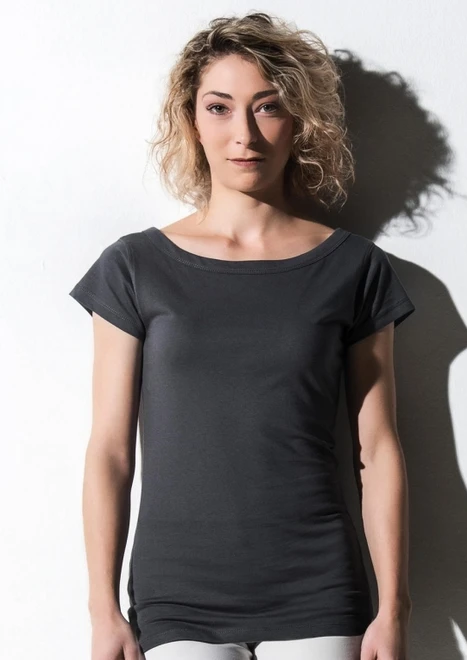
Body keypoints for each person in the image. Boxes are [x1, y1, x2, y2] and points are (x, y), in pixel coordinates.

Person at [69, 12, 415, 660]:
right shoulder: (134, 267)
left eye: (268, 107)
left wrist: (393, 608)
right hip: (177, 593)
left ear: (299, 120)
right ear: (192, 120)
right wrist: (102, 611)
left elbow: (378, 448)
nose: (244, 135)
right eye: (220, 107)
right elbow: (110, 452)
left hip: (317, 585)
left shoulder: (353, 267)